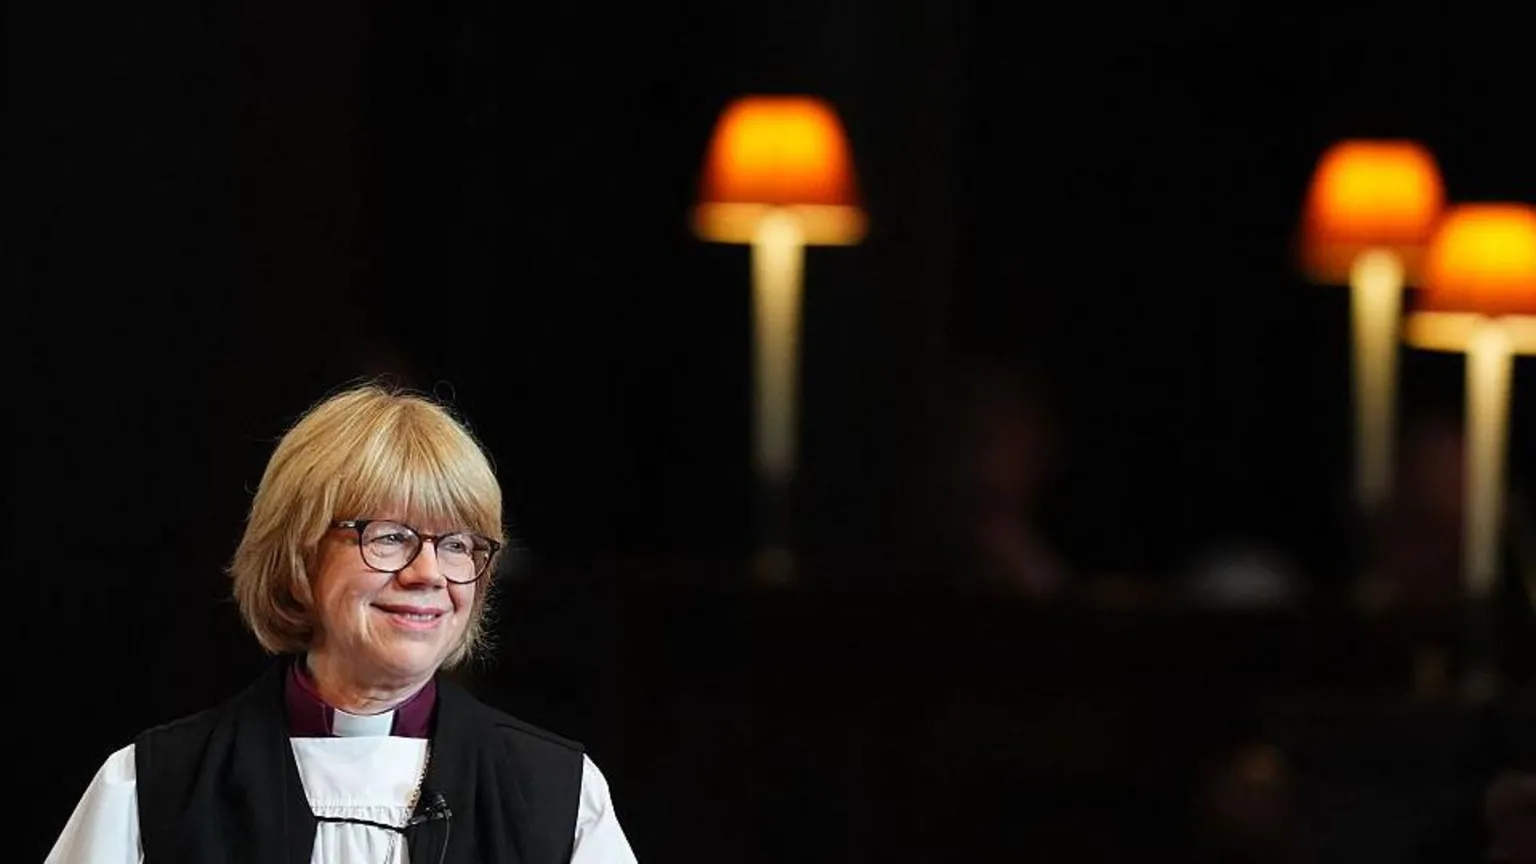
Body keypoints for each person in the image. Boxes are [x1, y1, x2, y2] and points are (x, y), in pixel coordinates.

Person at [46, 383, 638, 863]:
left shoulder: (556, 796)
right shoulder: (154, 790)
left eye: (458, 544)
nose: (428, 573)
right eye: (389, 537)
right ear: (299, 552)